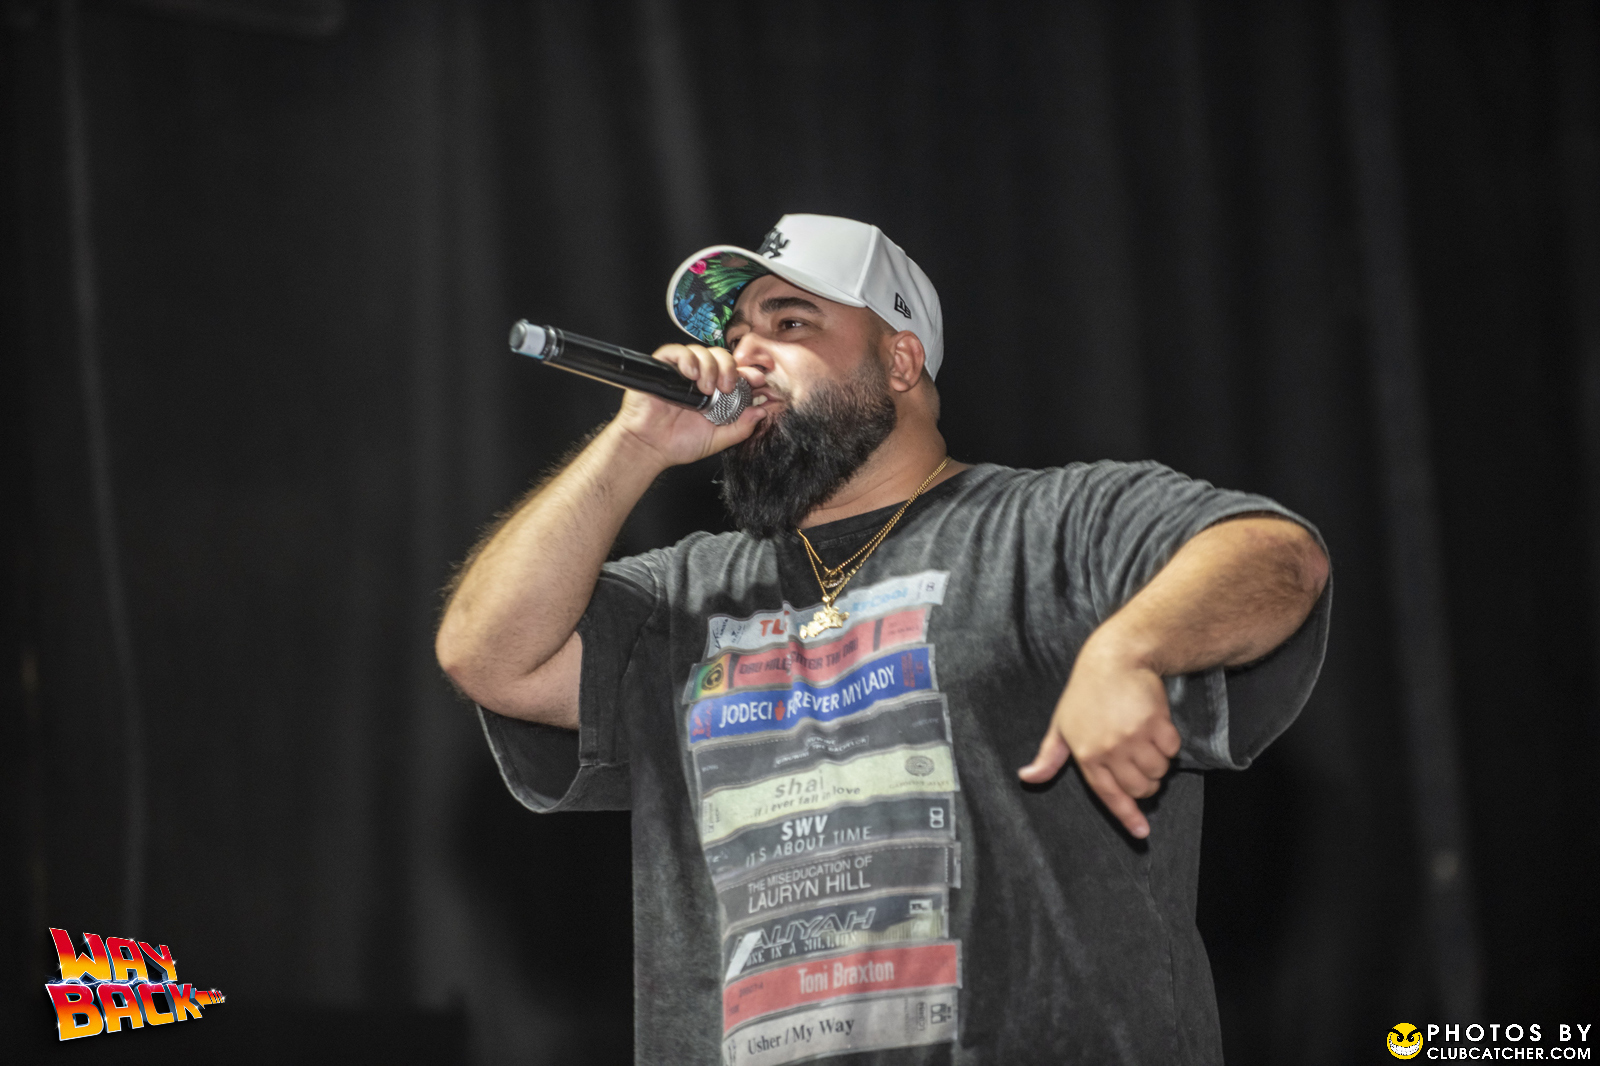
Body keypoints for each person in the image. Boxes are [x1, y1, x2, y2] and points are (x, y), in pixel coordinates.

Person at [436, 214, 1330, 1065]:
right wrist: (634, 443)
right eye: (735, 335)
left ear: (901, 359)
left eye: (789, 322)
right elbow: (489, 657)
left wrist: (1127, 651)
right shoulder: (688, 593)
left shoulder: (1049, 525)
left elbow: (1276, 556)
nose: (745, 356)